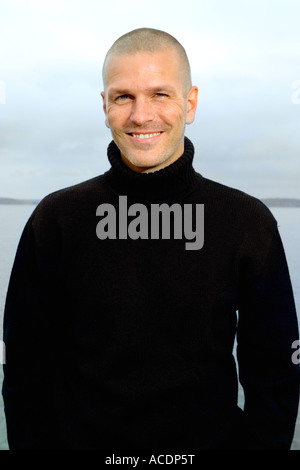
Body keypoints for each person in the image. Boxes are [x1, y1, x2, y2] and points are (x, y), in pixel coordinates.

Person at [2, 27, 299, 450]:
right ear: (104, 105)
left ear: (190, 102)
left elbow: (276, 375)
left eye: (160, 94)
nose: (141, 116)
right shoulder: (56, 220)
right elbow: (24, 371)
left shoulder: (247, 223)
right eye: (124, 96)